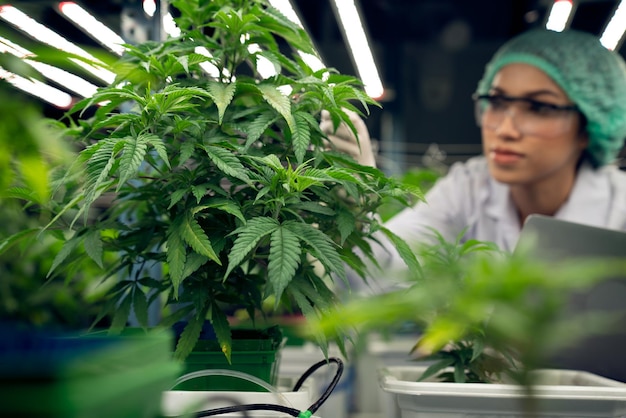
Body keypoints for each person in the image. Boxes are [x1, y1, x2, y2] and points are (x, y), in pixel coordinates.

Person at [321, 29, 626, 274]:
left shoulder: (620, 208)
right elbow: (380, 269)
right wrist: (353, 206)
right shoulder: (466, 190)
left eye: (538, 107)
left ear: (587, 127)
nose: (505, 129)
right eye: (496, 102)